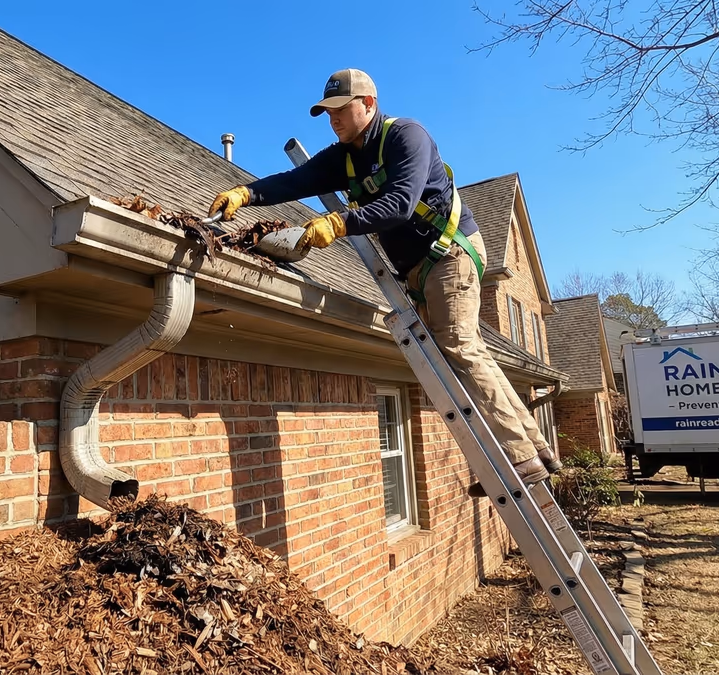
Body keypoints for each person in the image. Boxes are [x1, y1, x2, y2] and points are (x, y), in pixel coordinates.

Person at [208, 69, 561, 492]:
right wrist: (246, 193)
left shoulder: (406, 137)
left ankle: (517, 459)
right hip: (419, 267)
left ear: (369, 104)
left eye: (341, 109)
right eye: (327, 113)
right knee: (466, 351)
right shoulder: (345, 157)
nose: (333, 119)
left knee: (458, 346)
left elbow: (400, 203)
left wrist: (340, 222)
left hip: (448, 251)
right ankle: (534, 448)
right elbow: (296, 181)